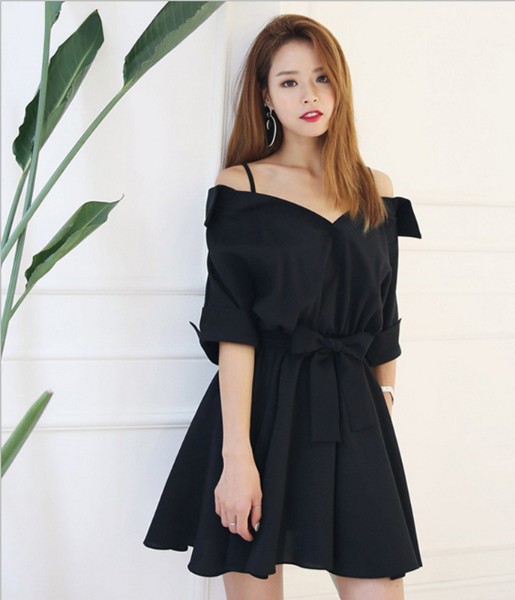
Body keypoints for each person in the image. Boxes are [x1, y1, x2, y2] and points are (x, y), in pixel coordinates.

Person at [144, 13, 423, 600]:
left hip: (352, 409)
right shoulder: (242, 186)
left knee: (378, 582)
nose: (309, 95)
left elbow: (384, 312)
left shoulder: (376, 187)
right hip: (262, 410)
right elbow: (234, 328)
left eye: (321, 78)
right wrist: (236, 457)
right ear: (266, 97)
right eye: (290, 82)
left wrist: (384, 400)